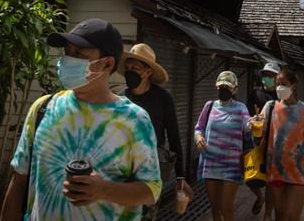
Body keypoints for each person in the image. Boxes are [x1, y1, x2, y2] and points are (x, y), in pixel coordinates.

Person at [0, 19, 162, 221]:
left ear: (107, 63)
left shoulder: (134, 120)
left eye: (79, 54)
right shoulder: (43, 107)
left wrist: (105, 190)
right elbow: (18, 179)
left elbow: (151, 191)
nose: (68, 59)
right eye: (68, 51)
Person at [119, 43, 193, 220]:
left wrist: (180, 177)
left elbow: (174, 137)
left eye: (136, 68)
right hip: (122, 166)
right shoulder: (121, 99)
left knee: (146, 214)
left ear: (148, 72)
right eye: (128, 67)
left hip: (151, 168)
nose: (131, 71)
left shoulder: (162, 99)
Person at [262, 68, 304, 221]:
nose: (279, 88)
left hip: (299, 171)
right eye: (277, 84)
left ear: (293, 85)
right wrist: (251, 125)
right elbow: (258, 133)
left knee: (292, 216)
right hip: (276, 169)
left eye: (283, 84)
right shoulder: (270, 107)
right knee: (280, 215)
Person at [194, 71, 250, 221]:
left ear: (235, 90)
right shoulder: (210, 106)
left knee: (227, 207)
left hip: (231, 165)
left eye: (228, 87)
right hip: (211, 162)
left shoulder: (241, 108)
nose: (224, 89)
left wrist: (255, 123)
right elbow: (198, 127)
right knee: (215, 207)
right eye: (221, 86)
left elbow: (248, 126)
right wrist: (199, 137)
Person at [246, 62, 280, 219]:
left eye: (271, 76)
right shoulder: (255, 94)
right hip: (255, 141)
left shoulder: (281, 96)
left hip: (275, 143)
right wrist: (252, 121)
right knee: (249, 176)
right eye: (265, 75)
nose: (267, 78)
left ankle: (267, 214)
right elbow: (246, 116)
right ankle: (259, 197)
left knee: (271, 182)